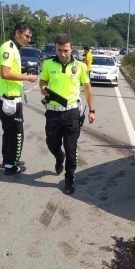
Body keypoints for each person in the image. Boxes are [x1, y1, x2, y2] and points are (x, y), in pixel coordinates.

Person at [40, 33, 95, 195]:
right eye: (59, 50)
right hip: (53, 113)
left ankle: (69, 177)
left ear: (72, 49)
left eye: (65, 50)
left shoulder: (80, 66)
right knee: (51, 144)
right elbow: (43, 81)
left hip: (72, 113)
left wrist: (92, 110)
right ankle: (58, 157)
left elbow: (87, 89)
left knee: (71, 149)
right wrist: (43, 88)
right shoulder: (48, 64)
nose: (62, 54)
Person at [0, 22, 38, 175]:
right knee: (17, 132)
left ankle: (8, 159)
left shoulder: (15, 49)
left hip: (10, 98)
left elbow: (11, 72)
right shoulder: (9, 48)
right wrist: (27, 78)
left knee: (9, 132)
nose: (28, 40)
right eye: (27, 36)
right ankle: (11, 165)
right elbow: (5, 74)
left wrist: (23, 74)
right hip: (9, 100)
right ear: (17, 33)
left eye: (30, 37)